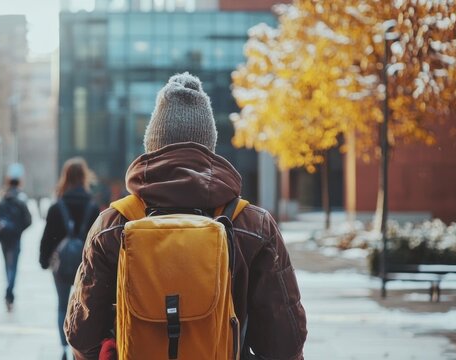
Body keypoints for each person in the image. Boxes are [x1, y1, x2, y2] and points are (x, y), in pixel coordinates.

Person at [64, 73, 307, 359]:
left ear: (151, 148)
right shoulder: (252, 224)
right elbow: (284, 341)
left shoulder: (114, 223)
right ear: (210, 149)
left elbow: (82, 335)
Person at [39, 157, 100, 360]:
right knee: (83, 306)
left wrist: (44, 259)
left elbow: (47, 237)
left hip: (61, 264)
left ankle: (63, 346)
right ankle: (79, 345)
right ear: (84, 177)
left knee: (62, 304)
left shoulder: (57, 207)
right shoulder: (92, 206)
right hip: (85, 264)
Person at [0, 163, 32, 312]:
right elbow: (28, 220)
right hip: (15, 238)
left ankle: (8, 289)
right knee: (13, 266)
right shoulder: (20, 199)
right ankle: (10, 292)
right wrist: (19, 230)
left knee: (6, 266)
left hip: (4, 238)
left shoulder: (2, 198)